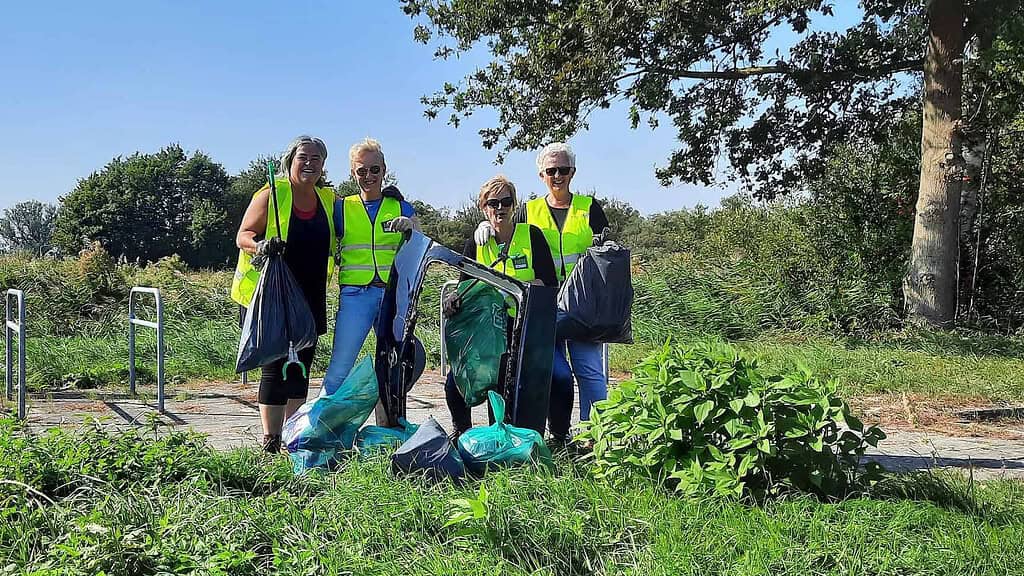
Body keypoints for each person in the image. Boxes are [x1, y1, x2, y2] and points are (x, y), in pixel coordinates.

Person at [475, 142, 609, 445]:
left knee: (589, 371)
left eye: (563, 169)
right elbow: (506, 231)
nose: (557, 175)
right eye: (551, 170)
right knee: (555, 373)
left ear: (573, 172)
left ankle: (595, 438)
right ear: (541, 174)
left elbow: (608, 255)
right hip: (544, 306)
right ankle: (553, 435)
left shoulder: (590, 208)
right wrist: (483, 225)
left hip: (584, 304)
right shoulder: (529, 210)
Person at [231, 136, 336, 453]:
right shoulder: (271, 195)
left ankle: (293, 436)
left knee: (300, 366)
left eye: (316, 158)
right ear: (290, 160)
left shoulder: (328, 200)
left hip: (309, 293)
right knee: (275, 366)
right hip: (271, 295)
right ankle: (270, 439)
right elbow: (243, 235)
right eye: (303, 157)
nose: (309, 163)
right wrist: (260, 245)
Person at [445, 175, 557, 439]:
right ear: (484, 207)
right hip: (485, 328)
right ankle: (462, 435)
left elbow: (548, 282)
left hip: (520, 326)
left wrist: (515, 286)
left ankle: (502, 439)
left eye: (506, 201)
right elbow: (465, 285)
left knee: (505, 384)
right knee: (455, 382)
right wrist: (453, 299)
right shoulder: (476, 243)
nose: (500, 208)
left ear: (514, 204)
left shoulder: (531, 236)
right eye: (493, 203)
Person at [322, 138, 418, 399]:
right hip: (355, 296)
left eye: (374, 170)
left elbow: (421, 248)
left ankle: (390, 427)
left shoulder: (401, 206)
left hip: (392, 297)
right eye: (361, 171)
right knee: (340, 366)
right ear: (353, 173)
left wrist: (411, 229)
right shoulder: (341, 208)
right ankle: (321, 428)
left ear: (384, 170)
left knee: (393, 364)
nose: (369, 176)